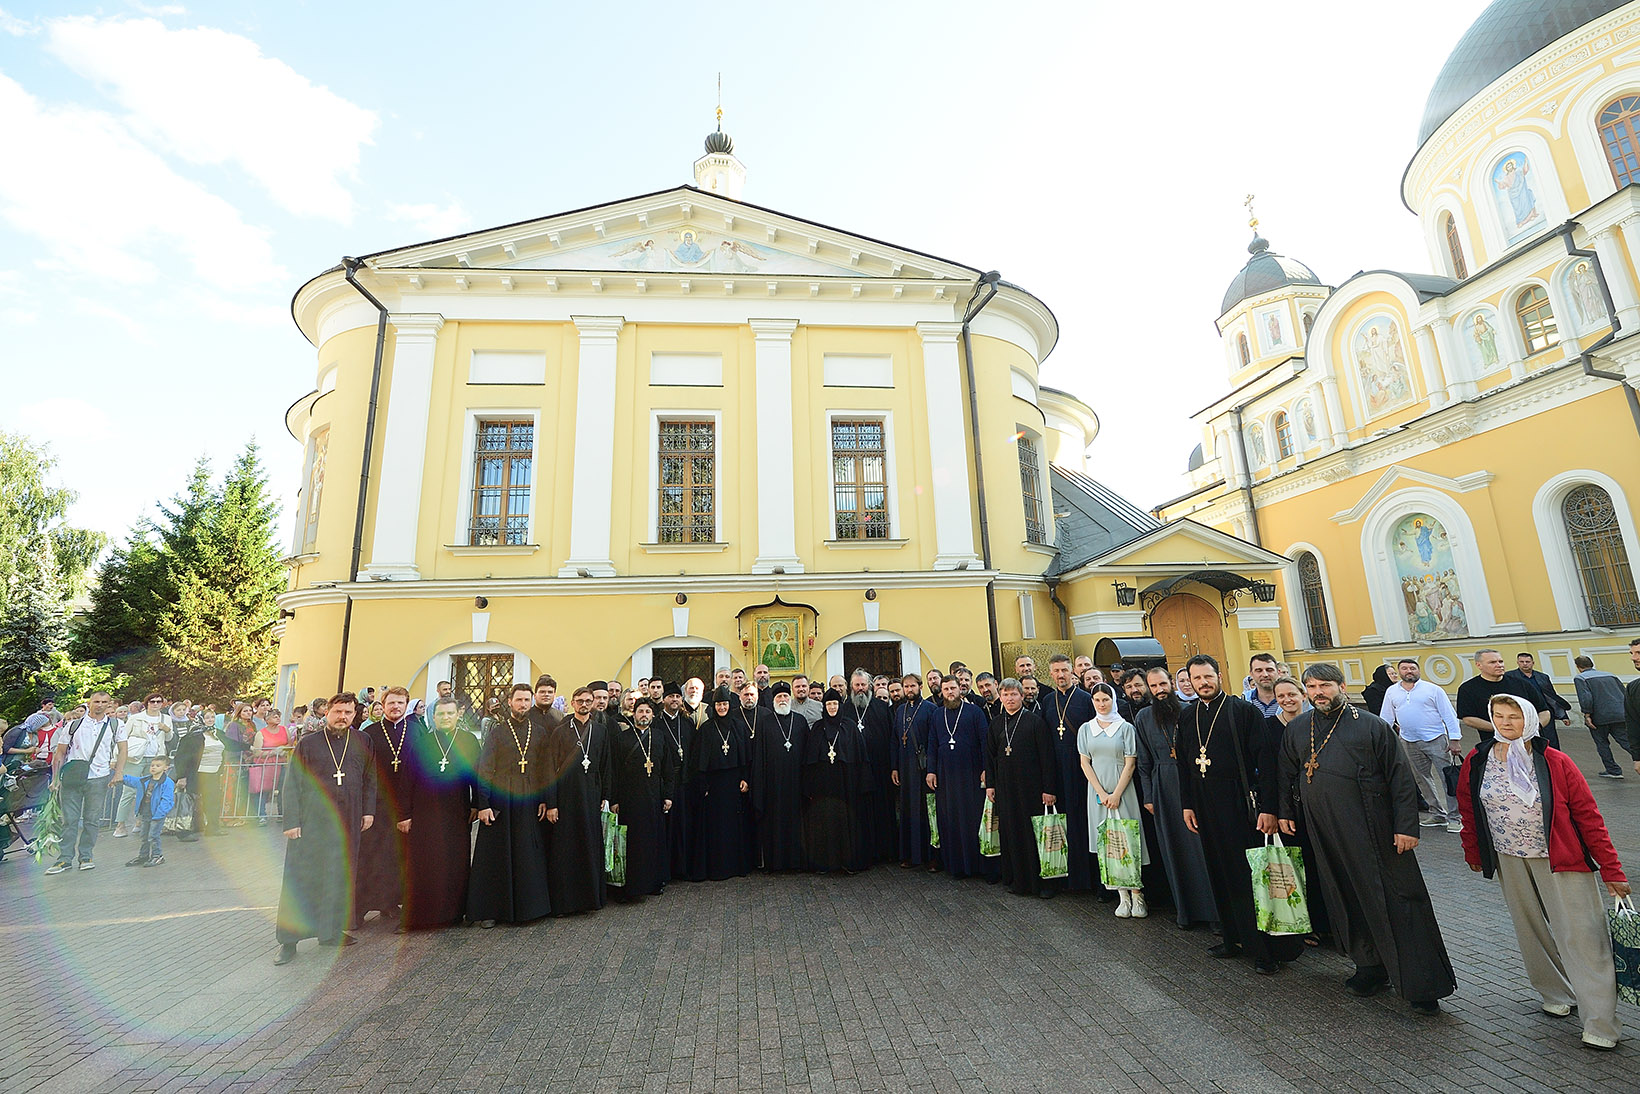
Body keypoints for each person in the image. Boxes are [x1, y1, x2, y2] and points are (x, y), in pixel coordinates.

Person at [1277, 664, 1455, 1014]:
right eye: (1311, 686)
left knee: (1398, 902)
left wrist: (1406, 827)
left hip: (1376, 832)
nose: (1318, 692)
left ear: (1341, 686)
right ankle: (1369, 966)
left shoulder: (1371, 726)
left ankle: (1421, 983)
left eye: (1324, 685)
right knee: (1345, 898)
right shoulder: (1299, 728)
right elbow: (1287, 773)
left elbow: (1401, 779)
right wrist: (1284, 812)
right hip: (1324, 832)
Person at [1457, 693, 1630, 1050]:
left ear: (1531, 721)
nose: (1506, 723)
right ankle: (1556, 992)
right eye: (1499, 716)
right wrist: (1473, 849)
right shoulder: (1479, 758)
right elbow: (1469, 808)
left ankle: (1600, 1021)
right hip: (1509, 858)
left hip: (1561, 860)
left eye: (1515, 717)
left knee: (1582, 937)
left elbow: (1589, 818)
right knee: (1529, 930)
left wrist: (1612, 871)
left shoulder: (1556, 761)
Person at [1176, 656, 1302, 975]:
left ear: (1220, 675)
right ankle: (1233, 938)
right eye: (1197, 678)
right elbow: (1184, 766)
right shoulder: (1188, 715)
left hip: (1239, 803)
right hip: (1204, 803)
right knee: (1218, 871)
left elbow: (1267, 762)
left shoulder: (1242, 711)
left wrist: (1270, 809)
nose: (1203, 683)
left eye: (1208, 676)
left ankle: (1264, 948)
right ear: (1190, 681)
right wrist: (1187, 804)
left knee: (1249, 876)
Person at [274, 694, 377, 965]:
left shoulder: (363, 741)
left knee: (339, 877)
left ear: (355, 714)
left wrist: (368, 811)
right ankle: (289, 940)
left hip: (349, 820)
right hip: (311, 822)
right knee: (302, 878)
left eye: (348, 712)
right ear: (327, 712)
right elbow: (292, 782)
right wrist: (291, 821)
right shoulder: (308, 744)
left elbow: (370, 779)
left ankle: (330, 932)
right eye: (338, 711)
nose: (343, 716)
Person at [1134, 667, 1217, 929]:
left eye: (1162, 684)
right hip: (1162, 788)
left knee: (1201, 850)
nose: (1159, 691)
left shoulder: (1190, 711)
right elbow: (1143, 762)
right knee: (1174, 851)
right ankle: (1186, 913)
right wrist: (1148, 796)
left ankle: (1215, 914)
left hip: (1191, 784)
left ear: (1172, 683)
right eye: (1153, 686)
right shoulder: (1143, 717)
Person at [467, 684, 552, 928]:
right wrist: (483, 804)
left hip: (529, 800)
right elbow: (484, 769)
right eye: (519, 700)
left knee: (528, 854)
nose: (523, 704)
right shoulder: (497, 731)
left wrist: (546, 799)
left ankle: (530, 909)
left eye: (527, 700)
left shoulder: (539, 732)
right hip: (500, 799)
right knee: (496, 856)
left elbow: (545, 769)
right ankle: (492, 910)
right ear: (510, 702)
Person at [398, 697, 478, 929]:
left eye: (450, 714)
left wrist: (477, 804)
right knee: (426, 862)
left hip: (457, 810)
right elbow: (407, 780)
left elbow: (478, 774)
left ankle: (453, 914)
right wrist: (404, 814)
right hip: (426, 812)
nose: (445, 718)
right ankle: (421, 916)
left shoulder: (469, 741)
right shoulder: (422, 742)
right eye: (441, 714)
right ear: (433, 717)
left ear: (457, 715)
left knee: (456, 861)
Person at [1265, 675, 1333, 945]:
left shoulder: (1320, 722)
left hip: (1322, 802)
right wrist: (1281, 811)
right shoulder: (1269, 727)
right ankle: (1310, 923)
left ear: (1303, 695)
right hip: (1292, 806)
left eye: (1291, 694)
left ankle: (1333, 922)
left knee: (1326, 863)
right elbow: (1273, 772)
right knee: (1301, 866)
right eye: (1281, 696)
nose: (1286, 700)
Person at [1079, 684, 1148, 917]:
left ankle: (1138, 895)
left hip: (1123, 791)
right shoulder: (1086, 729)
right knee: (1108, 843)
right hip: (1097, 793)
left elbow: (1130, 763)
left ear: (1113, 700)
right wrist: (1101, 792)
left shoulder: (1125, 728)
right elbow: (1085, 763)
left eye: (1105, 699)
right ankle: (1122, 896)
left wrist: (1116, 794)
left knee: (1129, 840)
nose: (1101, 704)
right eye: (1097, 700)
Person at [539, 687, 610, 915]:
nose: (584, 704)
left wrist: (606, 796)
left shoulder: (600, 731)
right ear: (572, 702)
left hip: (591, 795)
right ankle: (565, 902)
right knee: (566, 848)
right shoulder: (560, 732)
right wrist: (552, 803)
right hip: (566, 798)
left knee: (589, 844)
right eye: (580, 701)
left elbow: (606, 766)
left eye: (588, 701)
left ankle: (591, 899)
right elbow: (549, 769)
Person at [986, 678, 1057, 897]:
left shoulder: (1035, 722)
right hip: (1006, 788)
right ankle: (1016, 879)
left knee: (1032, 834)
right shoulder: (996, 723)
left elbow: (1047, 758)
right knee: (1011, 832)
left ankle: (1041, 883)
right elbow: (990, 757)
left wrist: (1049, 789)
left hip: (1032, 789)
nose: (1009, 699)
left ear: (1021, 696)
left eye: (1013, 694)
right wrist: (990, 785)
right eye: (1005, 695)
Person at [1378, 658, 1464, 833]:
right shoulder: (1392, 691)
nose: (1409, 671)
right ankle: (1437, 813)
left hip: (1436, 740)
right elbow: (1386, 717)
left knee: (1447, 778)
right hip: (1408, 741)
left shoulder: (1432, 689)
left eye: (1412, 668)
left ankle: (1455, 817)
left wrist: (1454, 738)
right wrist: (1383, 740)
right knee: (1422, 779)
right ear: (1399, 672)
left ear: (1418, 671)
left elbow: (1449, 715)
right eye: (1404, 668)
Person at [46, 691, 127, 874]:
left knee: (92, 819)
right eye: (96, 701)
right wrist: (56, 778)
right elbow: (59, 753)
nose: (99, 705)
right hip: (73, 777)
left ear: (109, 704)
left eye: (104, 702)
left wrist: (118, 772)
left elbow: (123, 750)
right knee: (69, 820)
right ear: (89, 703)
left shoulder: (115, 725)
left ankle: (86, 855)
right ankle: (65, 858)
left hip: (99, 777)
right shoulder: (74, 725)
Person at [356, 687, 419, 925]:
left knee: (397, 856)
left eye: (400, 703)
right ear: (383, 705)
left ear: (406, 705)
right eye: (391, 703)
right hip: (377, 804)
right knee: (371, 855)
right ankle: (361, 906)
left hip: (405, 804)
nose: (396, 707)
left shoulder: (416, 730)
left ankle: (390, 903)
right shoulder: (370, 732)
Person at [925, 674, 991, 879]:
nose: (950, 692)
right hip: (946, 775)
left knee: (971, 819)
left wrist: (985, 769)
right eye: (946, 689)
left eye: (953, 688)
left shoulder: (974, 712)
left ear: (960, 689)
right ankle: (955, 866)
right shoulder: (937, 714)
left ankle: (976, 865)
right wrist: (931, 770)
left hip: (970, 773)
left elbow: (984, 742)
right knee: (950, 819)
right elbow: (932, 744)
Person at [607, 697, 674, 899]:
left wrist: (668, 796)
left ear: (653, 715)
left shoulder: (660, 737)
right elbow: (614, 771)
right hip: (630, 799)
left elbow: (668, 770)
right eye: (640, 711)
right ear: (633, 714)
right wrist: (615, 799)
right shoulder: (622, 739)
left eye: (647, 712)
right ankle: (633, 886)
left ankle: (654, 882)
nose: (644, 715)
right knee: (633, 843)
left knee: (653, 841)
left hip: (654, 798)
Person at [1041, 654, 1095, 893]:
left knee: (1084, 823)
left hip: (1083, 771)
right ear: (1050, 674)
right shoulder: (1047, 701)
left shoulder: (1085, 699)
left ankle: (1089, 879)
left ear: (1072, 672)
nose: (1061, 675)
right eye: (1056, 671)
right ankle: (1067, 877)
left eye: (1064, 670)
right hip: (1057, 771)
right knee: (1064, 824)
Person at [693, 685, 750, 881]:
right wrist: (704, 785)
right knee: (716, 827)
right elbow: (700, 761)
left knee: (734, 825)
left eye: (725, 704)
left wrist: (744, 778)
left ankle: (735, 867)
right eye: (718, 704)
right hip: (714, 785)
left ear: (729, 705)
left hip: (734, 782)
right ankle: (717, 868)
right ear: (714, 706)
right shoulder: (707, 729)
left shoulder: (738, 726)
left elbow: (745, 755)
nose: (722, 708)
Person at [803, 689, 863, 872]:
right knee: (824, 821)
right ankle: (825, 863)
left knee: (845, 820)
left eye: (835, 704)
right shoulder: (817, 727)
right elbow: (810, 760)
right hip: (823, 784)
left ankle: (847, 861)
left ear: (840, 705)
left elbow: (859, 756)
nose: (832, 707)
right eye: (828, 704)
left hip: (845, 782)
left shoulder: (849, 726)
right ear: (824, 706)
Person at [752, 682, 808, 871]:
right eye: (779, 697)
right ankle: (775, 863)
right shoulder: (765, 722)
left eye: (785, 697)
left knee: (796, 823)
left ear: (789, 699)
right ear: (774, 701)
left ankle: (796, 863)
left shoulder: (800, 721)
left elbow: (807, 755)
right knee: (773, 824)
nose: (783, 700)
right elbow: (759, 756)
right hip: (772, 784)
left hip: (796, 782)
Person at [847, 669, 897, 865]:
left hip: (880, 769)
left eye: (863, 685)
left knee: (882, 809)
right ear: (851, 686)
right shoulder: (845, 709)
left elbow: (891, 738)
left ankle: (885, 852)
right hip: (856, 771)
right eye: (857, 685)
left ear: (870, 686)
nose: (860, 688)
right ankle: (864, 851)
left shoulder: (881, 707)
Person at [1458, 649, 1551, 747]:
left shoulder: (1521, 684)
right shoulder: (1468, 688)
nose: (1499, 665)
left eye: (1500, 661)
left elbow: (1544, 711)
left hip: (1530, 742)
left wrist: (1535, 727)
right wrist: (1502, 729)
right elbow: (1468, 718)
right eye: (1492, 662)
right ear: (1479, 665)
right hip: (1494, 744)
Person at [1571, 654, 1640, 779]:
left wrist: (1587, 715)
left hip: (1599, 716)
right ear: (1592, 664)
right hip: (1619, 713)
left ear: (1578, 666)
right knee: (1626, 741)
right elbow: (1624, 692)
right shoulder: (1610, 675)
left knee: (1602, 743)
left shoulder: (1580, 678)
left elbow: (1586, 698)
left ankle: (1613, 770)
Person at [653, 682, 694, 879]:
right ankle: (666, 870)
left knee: (683, 825)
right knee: (667, 827)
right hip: (665, 783)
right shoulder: (656, 724)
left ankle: (683, 868)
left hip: (685, 782)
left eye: (678, 697)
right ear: (664, 700)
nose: (675, 700)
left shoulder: (687, 723)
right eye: (671, 697)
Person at [894, 676, 934, 869]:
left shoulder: (930, 709)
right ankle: (909, 855)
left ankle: (930, 856)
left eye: (912, 686)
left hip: (923, 769)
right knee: (908, 811)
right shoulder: (900, 710)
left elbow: (933, 742)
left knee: (927, 812)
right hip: (904, 767)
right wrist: (894, 767)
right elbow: (895, 740)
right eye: (906, 686)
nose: (909, 689)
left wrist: (932, 769)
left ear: (920, 686)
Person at [120, 755, 175, 867]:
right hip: (145, 812)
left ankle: (157, 856)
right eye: (152, 765)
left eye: (158, 766)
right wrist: (120, 778)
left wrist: (160, 813)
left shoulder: (167, 783)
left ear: (166, 768)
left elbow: (167, 800)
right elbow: (133, 781)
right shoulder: (145, 780)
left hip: (157, 814)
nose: (154, 768)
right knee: (144, 835)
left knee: (153, 835)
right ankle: (143, 855)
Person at [1506, 653, 1572, 736]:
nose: (1525, 664)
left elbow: (1552, 696)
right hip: (1523, 714)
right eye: (1522, 662)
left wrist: (1563, 716)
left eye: (1527, 661)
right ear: (1518, 663)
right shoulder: (1509, 677)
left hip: (1544, 712)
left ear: (1533, 663)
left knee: (1550, 740)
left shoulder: (1543, 677)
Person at [1242, 653, 1281, 718]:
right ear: (1251, 674)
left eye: (1269, 670)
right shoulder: (1244, 701)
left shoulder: (1290, 699)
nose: (1265, 674)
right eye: (1259, 670)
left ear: (1278, 672)